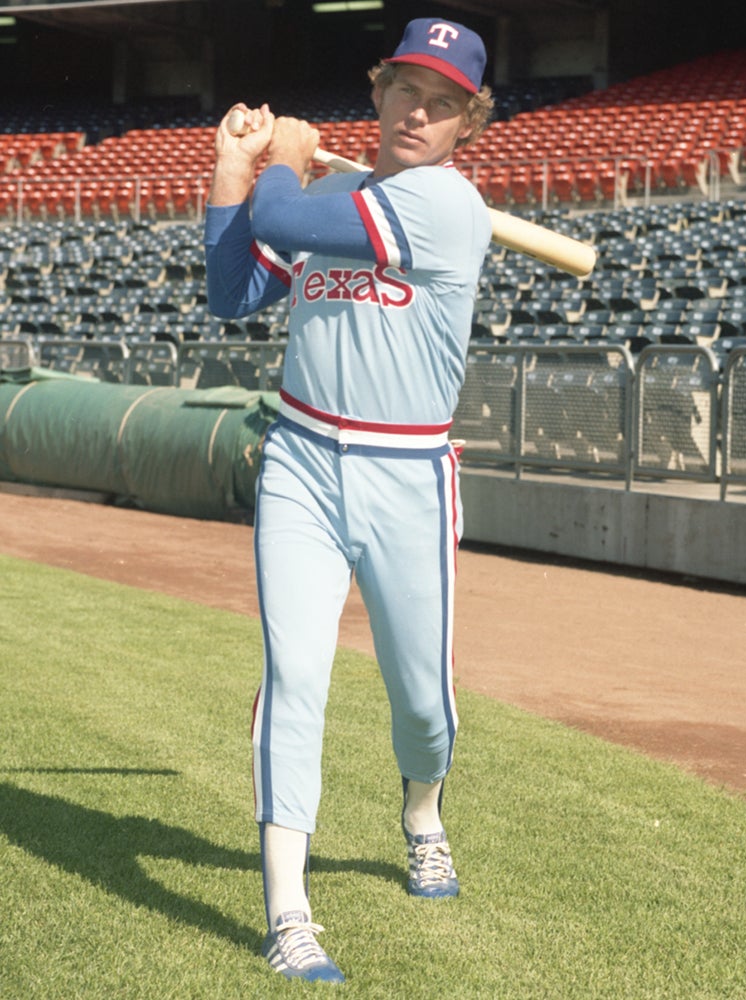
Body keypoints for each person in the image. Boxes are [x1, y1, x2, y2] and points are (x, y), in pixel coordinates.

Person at [204, 16, 494, 985]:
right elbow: (234, 288)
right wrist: (230, 172)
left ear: (465, 122)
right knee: (297, 676)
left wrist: (277, 165)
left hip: (407, 474)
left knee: (423, 701)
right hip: (303, 460)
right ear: (378, 94)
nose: (419, 110)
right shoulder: (335, 194)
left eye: (442, 101)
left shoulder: (448, 206)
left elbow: (284, 220)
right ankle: (289, 913)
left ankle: (422, 814)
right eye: (406, 89)